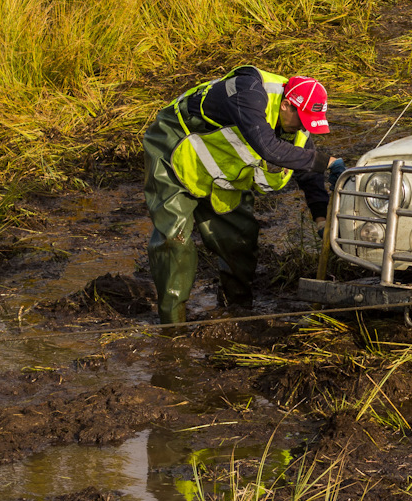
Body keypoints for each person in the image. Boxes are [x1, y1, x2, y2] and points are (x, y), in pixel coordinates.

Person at [142, 68, 333, 324]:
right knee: (173, 242)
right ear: (287, 105)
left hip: (218, 170)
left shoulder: (297, 126)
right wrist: (326, 161)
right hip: (174, 150)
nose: (304, 127)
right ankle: (173, 328)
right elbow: (267, 146)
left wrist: (321, 218)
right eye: (302, 119)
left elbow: (308, 175)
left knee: (239, 241)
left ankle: (239, 314)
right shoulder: (249, 91)